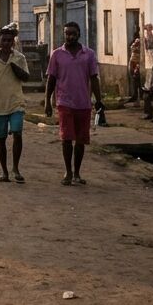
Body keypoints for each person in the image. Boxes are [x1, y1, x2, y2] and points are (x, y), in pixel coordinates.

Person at [45, 21, 106, 186]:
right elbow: (51, 79)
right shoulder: (57, 54)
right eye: (67, 33)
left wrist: (99, 100)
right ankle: (68, 172)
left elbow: (94, 78)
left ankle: (77, 172)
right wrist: (47, 102)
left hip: (83, 103)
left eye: (73, 33)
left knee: (80, 141)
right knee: (66, 138)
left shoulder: (89, 54)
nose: (69, 36)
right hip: (64, 102)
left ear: (79, 34)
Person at [0, 27, 30, 183]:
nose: (7, 43)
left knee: (17, 133)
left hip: (16, 102)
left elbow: (26, 77)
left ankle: (16, 168)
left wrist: (14, 66)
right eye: (4, 40)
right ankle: (4, 171)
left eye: (10, 40)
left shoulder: (19, 57)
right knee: (1, 138)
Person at [127, 30, 144, 102]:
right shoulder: (136, 42)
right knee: (134, 79)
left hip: (137, 63)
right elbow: (133, 48)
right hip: (133, 62)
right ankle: (136, 95)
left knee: (137, 79)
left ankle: (138, 95)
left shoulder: (140, 43)